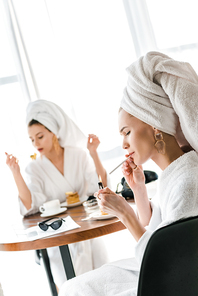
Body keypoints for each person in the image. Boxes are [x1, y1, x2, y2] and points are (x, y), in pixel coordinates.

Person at [58, 51, 198, 296]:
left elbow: (170, 265)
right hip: (158, 270)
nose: (123, 144)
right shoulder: (176, 172)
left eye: (126, 132)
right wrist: (139, 190)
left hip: (170, 282)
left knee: (77, 290)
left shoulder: (187, 180)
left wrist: (124, 213)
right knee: (74, 286)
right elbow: (154, 231)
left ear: (154, 125)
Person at [5, 100, 110, 289]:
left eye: (40, 136)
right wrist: (16, 172)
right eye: (31, 139)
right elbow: (29, 205)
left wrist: (93, 153)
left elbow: (100, 186)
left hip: (87, 227)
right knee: (72, 284)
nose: (35, 143)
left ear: (53, 131)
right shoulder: (34, 168)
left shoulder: (78, 155)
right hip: (59, 234)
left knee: (103, 277)